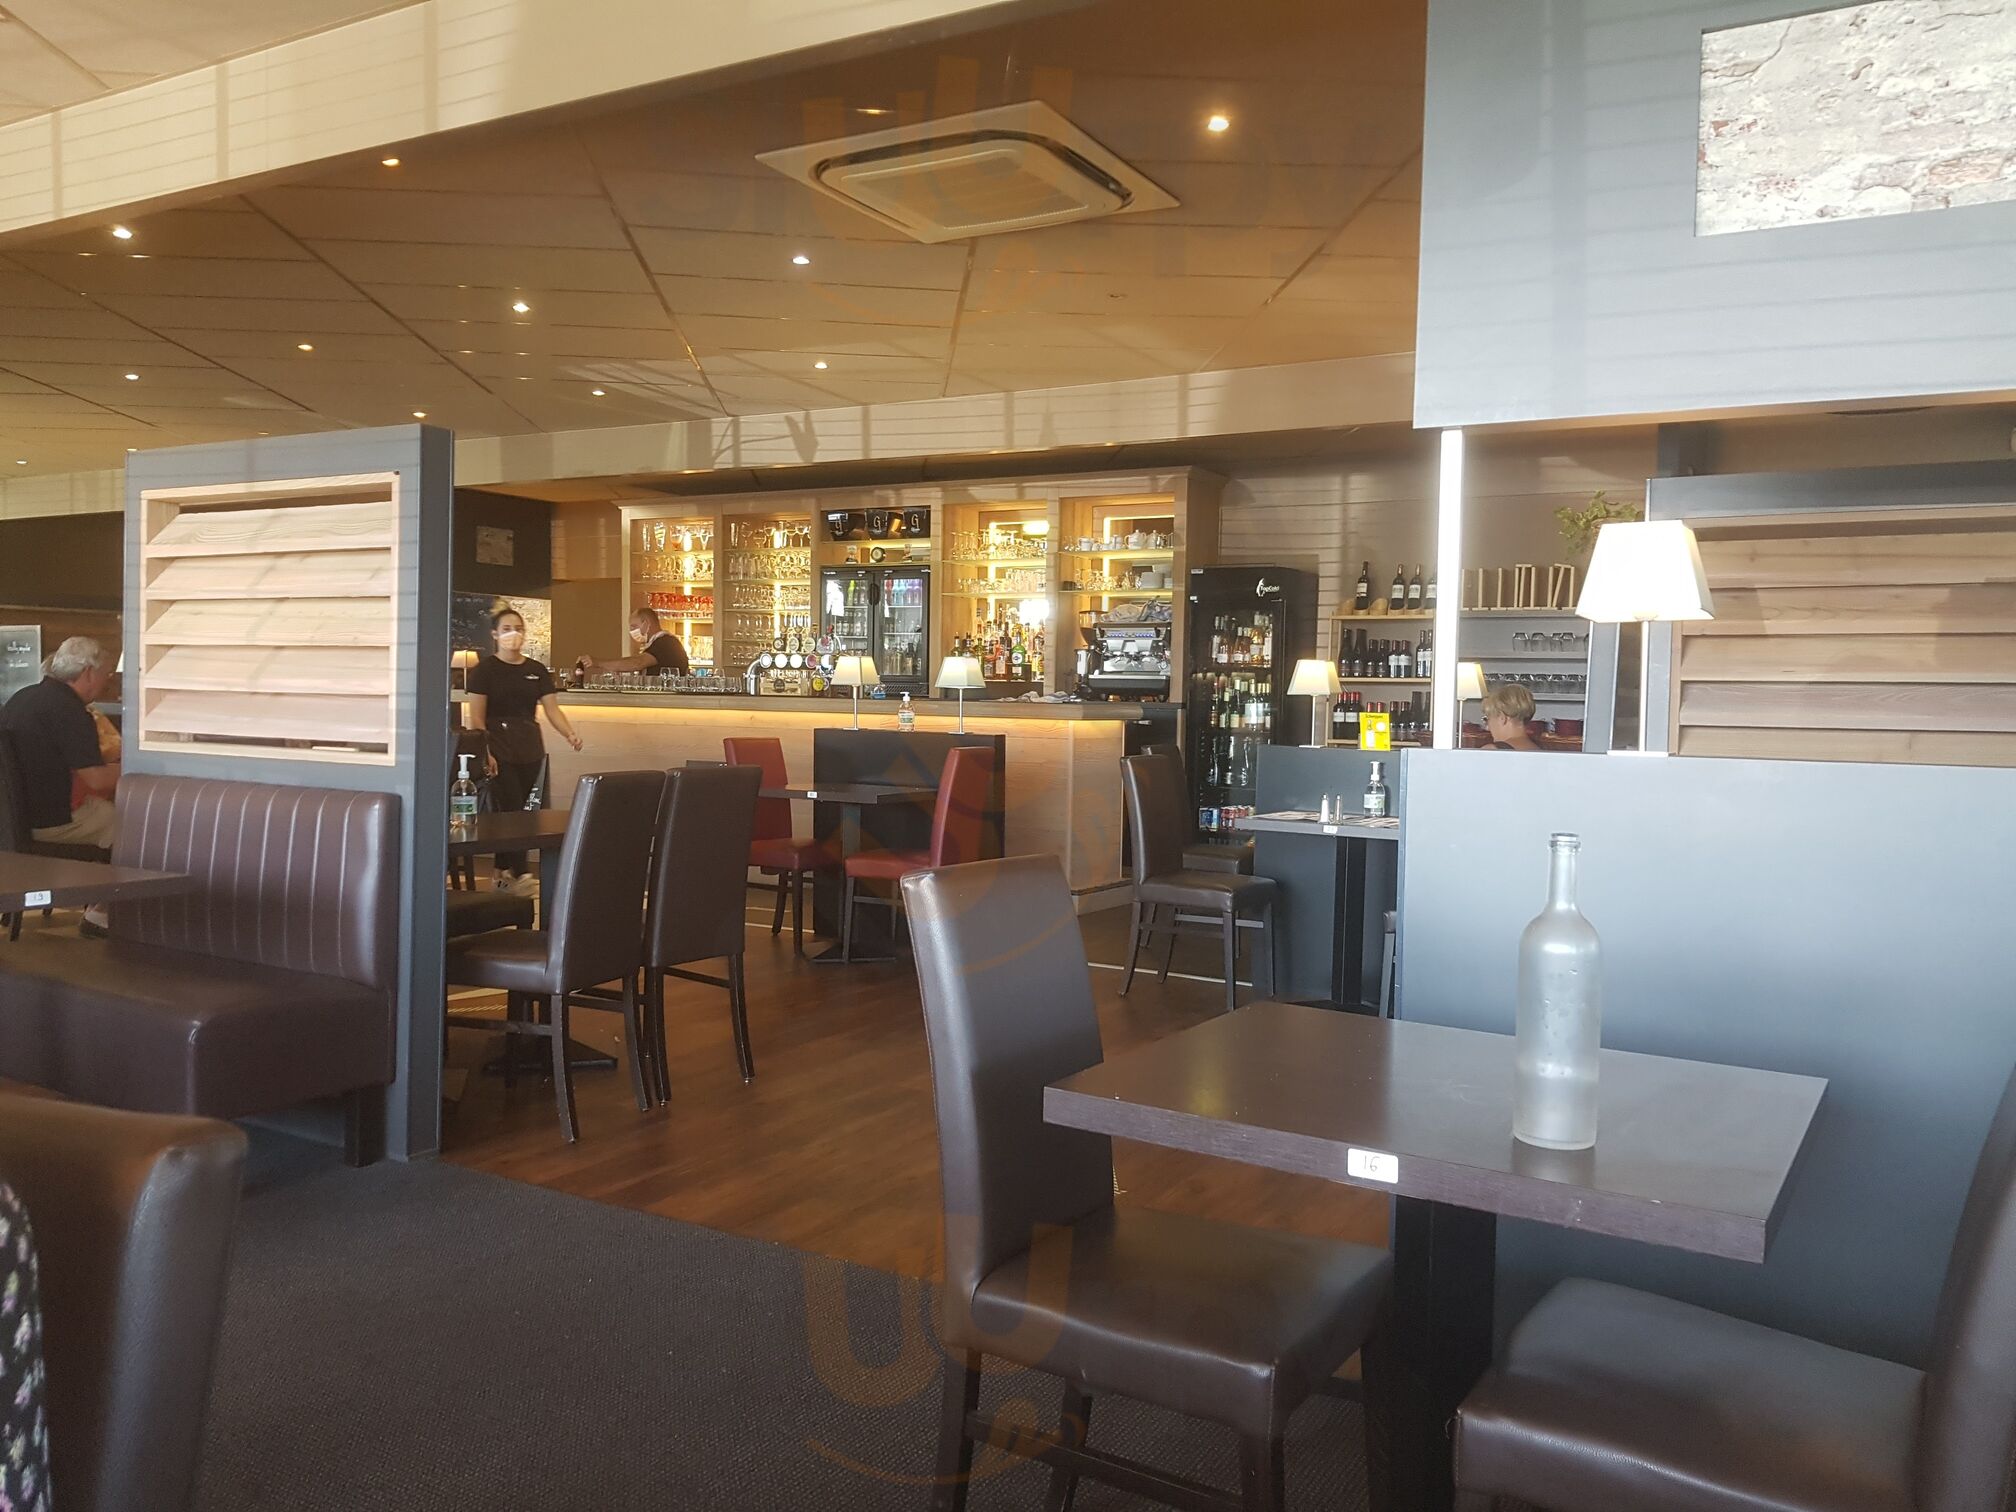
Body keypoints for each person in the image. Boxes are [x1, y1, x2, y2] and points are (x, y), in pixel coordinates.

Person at [463, 608, 582, 894]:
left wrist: (569, 733)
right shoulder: (484, 671)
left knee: (518, 811)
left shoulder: (536, 670)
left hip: (530, 746)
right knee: (512, 808)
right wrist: (485, 751)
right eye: (506, 628)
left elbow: (552, 709)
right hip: (497, 746)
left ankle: (501, 873)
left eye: (518, 628)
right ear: (494, 634)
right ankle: (521, 872)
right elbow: (476, 717)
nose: (513, 634)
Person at [581, 608, 689, 678]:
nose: (632, 631)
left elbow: (637, 663)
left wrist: (598, 662)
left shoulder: (666, 643)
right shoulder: (656, 643)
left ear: (646, 624)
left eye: (634, 626)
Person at [1481, 682, 1543, 751]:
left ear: (1502, 718)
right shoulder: (1539, 750)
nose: (1487, 728)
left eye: (1487, 719)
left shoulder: (1492, 750)